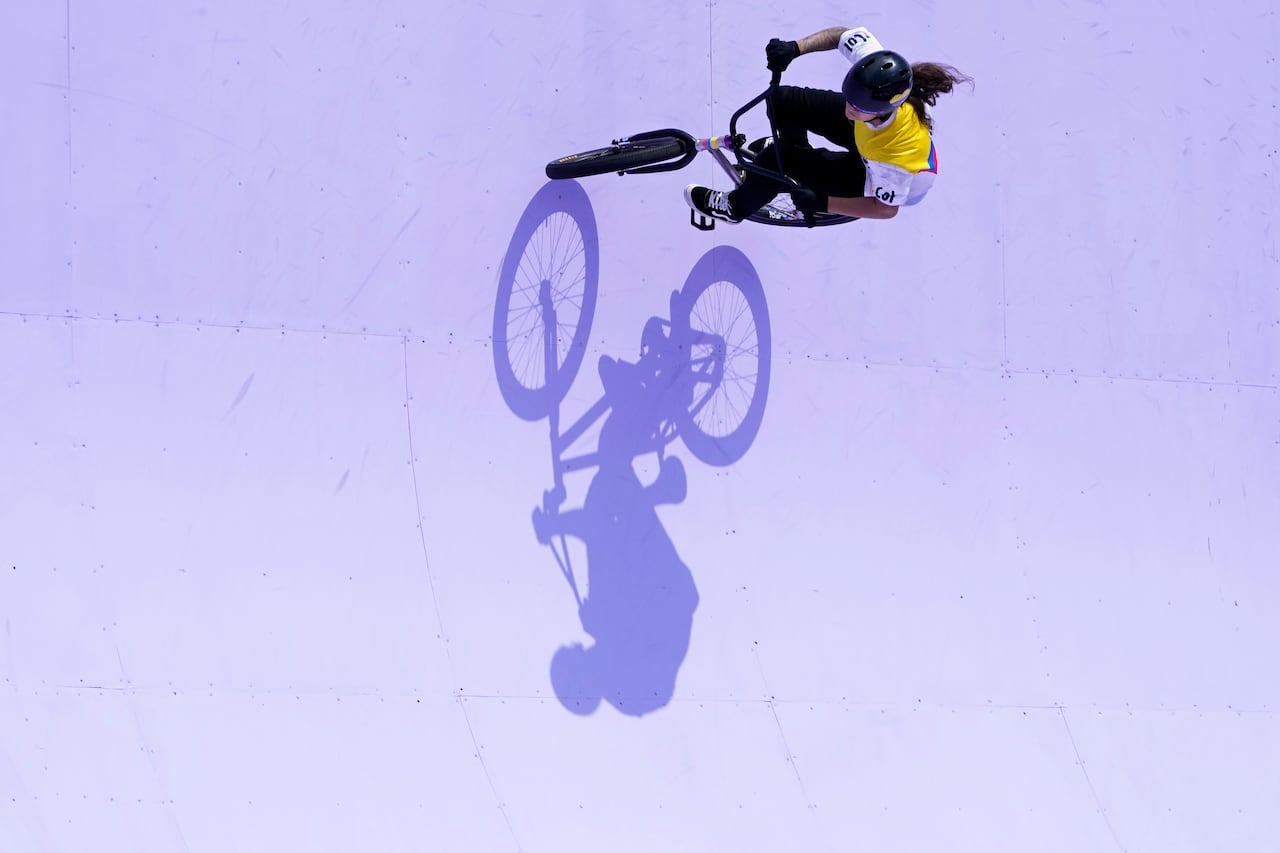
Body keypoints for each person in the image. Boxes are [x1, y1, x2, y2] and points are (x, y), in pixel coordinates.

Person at [685, 26, 971, 224]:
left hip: (875, 174)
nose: (848, 109)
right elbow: (841, 35)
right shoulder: (878, 72)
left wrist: (821, 202)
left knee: (775, 159)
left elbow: (886, 210)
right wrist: (794, 49)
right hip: (869, 134)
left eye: (856, 107)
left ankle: (736, 207)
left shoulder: (894, 162)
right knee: (783, 99)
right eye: (849, 98)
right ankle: (793, 162)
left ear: (883, 109)